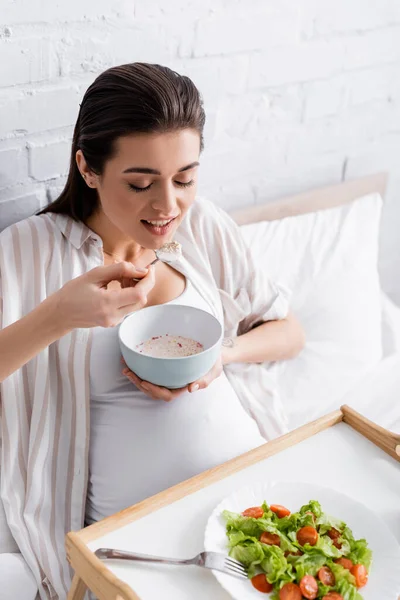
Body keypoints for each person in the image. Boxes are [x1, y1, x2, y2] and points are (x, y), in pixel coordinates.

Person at [0, 63, 304, 599]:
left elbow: (288, 331)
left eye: (184, 179)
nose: (167, 207)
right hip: (140, 548)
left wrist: (223, 356)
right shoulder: (27, 251)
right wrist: (59, 316)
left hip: (257, 502)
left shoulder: (202, 225)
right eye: (140, 183)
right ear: (87, 169)